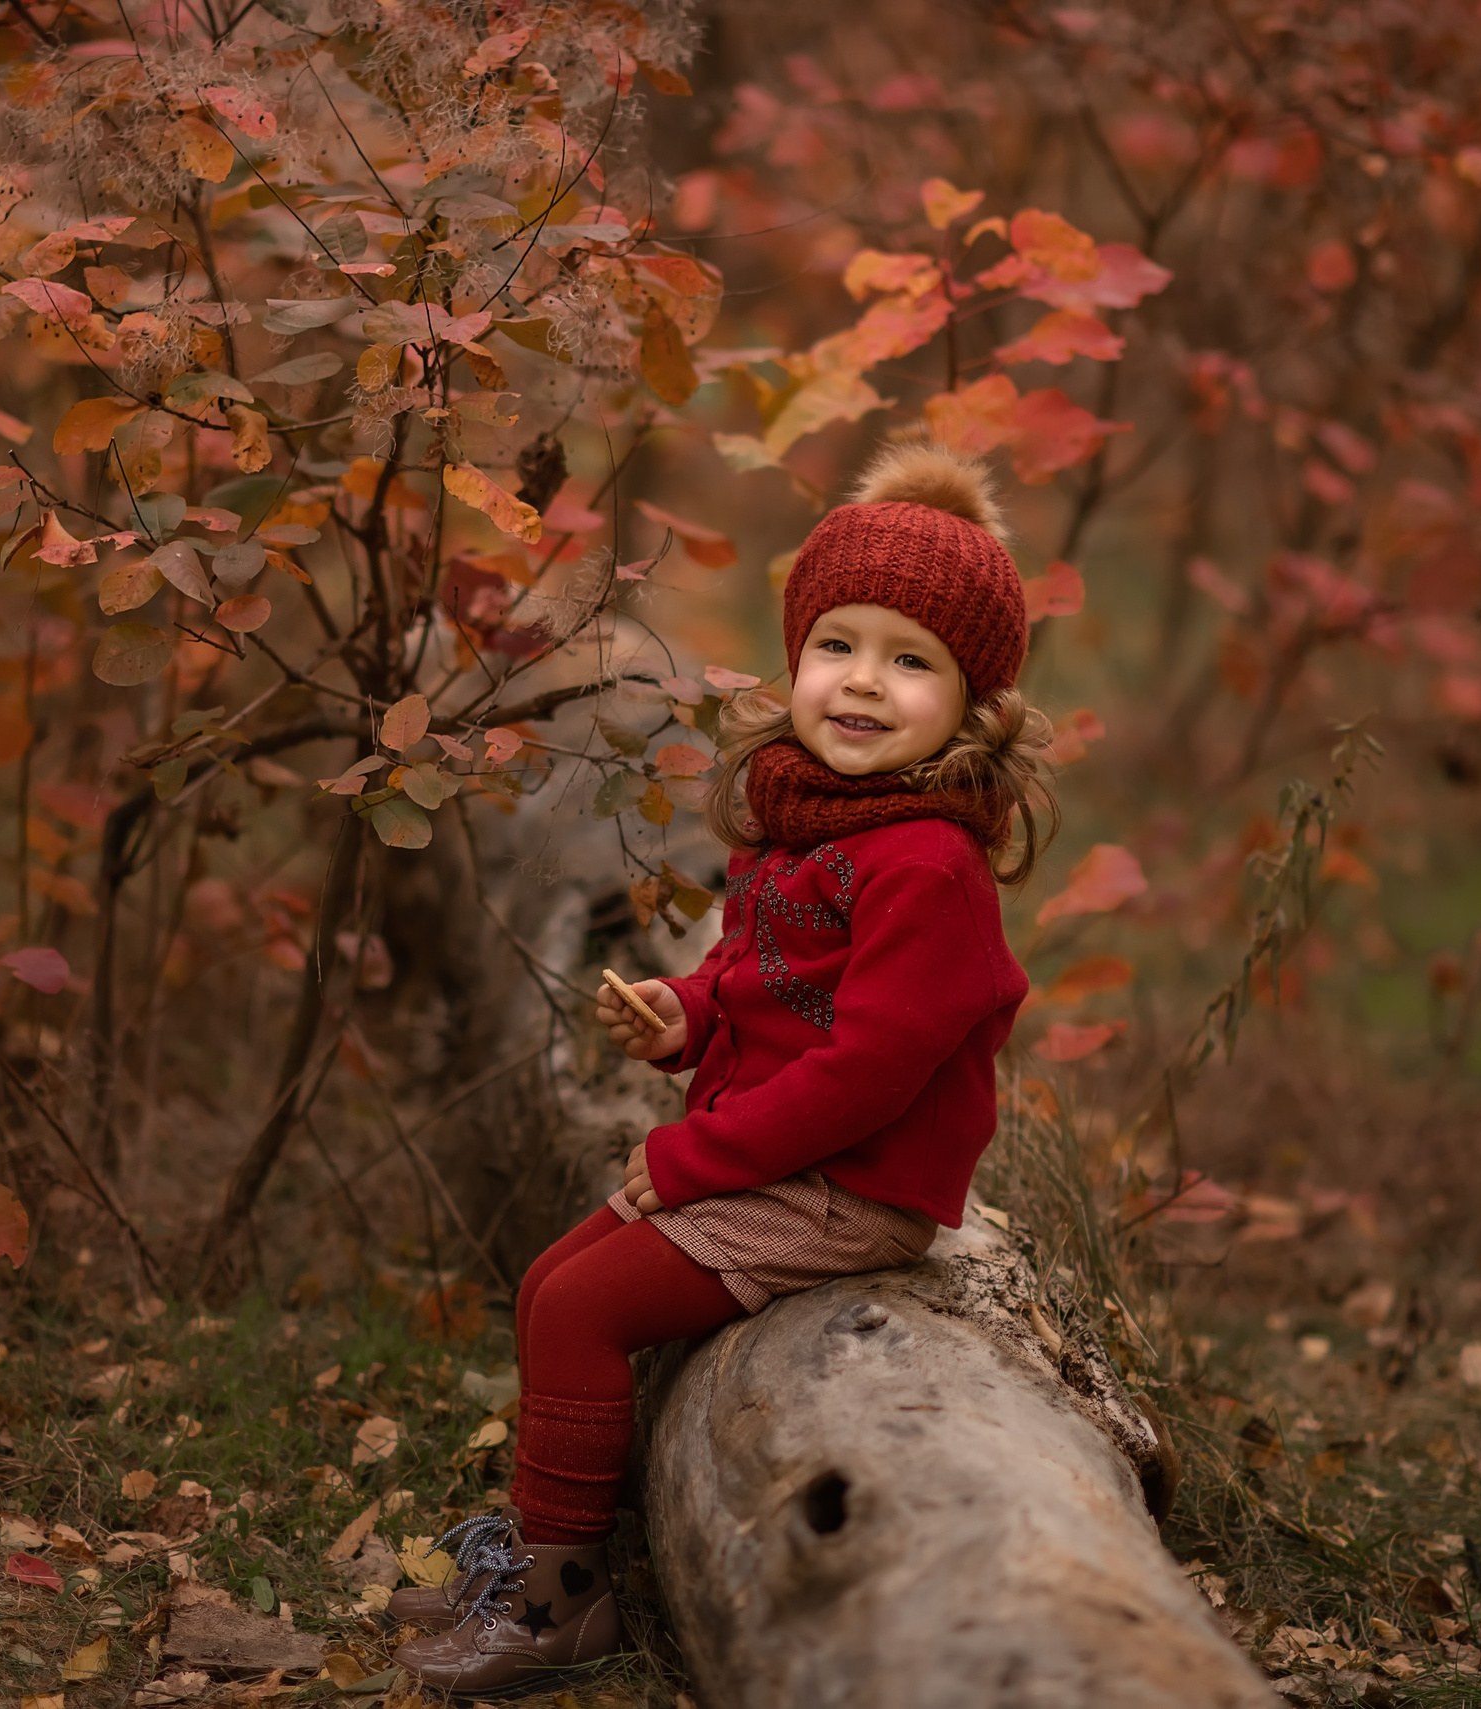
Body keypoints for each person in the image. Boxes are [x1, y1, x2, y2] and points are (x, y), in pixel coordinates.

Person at [393, 437, 1054, 1694]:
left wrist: (693, 1155)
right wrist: (684, 1016)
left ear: (973, 703)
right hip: (787, 1152)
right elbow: (761, 973)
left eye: (911, 661)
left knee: (582, 1308)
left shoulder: (927, 863)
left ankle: (564, 1605)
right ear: (796, 656)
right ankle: (543, 1548)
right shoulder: (814, 812)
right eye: (838, 644)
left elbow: (865, 1072)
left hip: (852, 1183)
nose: (863, 683)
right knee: (546, 1284)